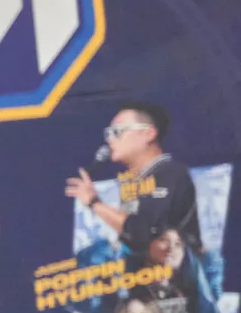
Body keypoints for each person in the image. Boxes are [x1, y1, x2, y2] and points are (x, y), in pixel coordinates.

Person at [65, 103, 201, 258]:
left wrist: (94, 203)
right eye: (108, 133)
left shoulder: (170, 173)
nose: (110, 139)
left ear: (148, 134)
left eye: (117, 131)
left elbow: (145, 231)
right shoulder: (134, 181)